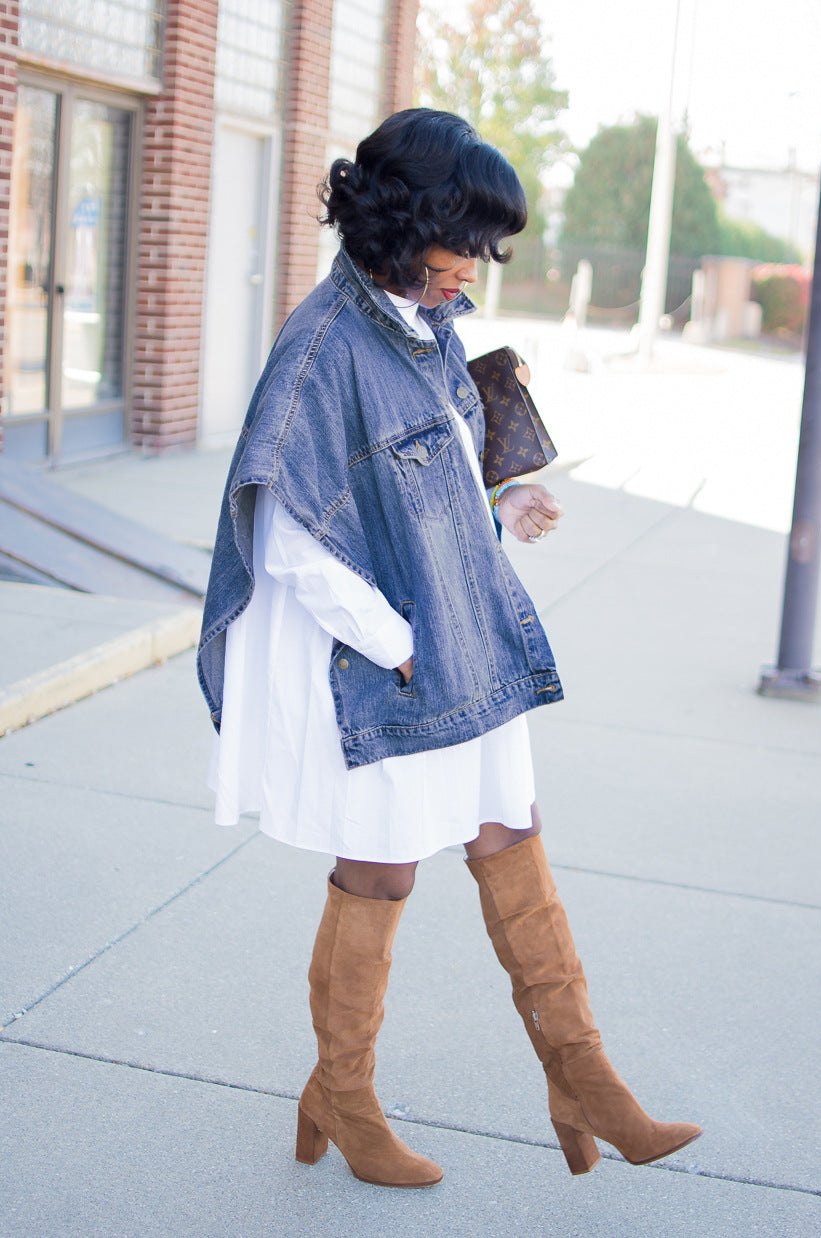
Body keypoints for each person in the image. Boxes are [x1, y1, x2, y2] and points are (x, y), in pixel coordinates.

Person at [197, 108, 701, 1190]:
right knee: (380, 867)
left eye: (483, 245)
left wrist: (503, 500)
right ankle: (344, 1089)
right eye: (460, 240)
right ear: (400, 222)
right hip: (383, 656)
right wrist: (404, 644)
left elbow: (423, 480)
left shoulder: (428, 322)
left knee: (509, 829)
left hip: (451, 633)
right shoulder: (324, 346)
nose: (473, 266)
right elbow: (285, 537)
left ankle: (585, 1078)